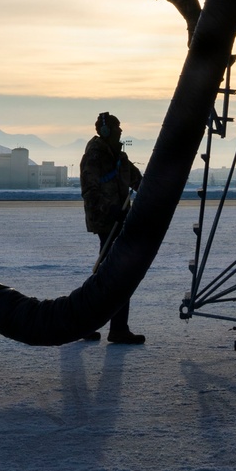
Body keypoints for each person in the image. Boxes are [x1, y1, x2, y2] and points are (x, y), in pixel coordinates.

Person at [79, 112, 145, 343]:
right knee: (111, 276)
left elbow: (139, 182)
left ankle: (114, 327)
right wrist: (111, 209)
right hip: (107, 223)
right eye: (117, 128)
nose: (121, 132)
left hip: (121, 222)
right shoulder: (94, 157)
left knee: (115, 275)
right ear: (106, 131)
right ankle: (93, 325)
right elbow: (90, 191)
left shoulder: (120, 157)